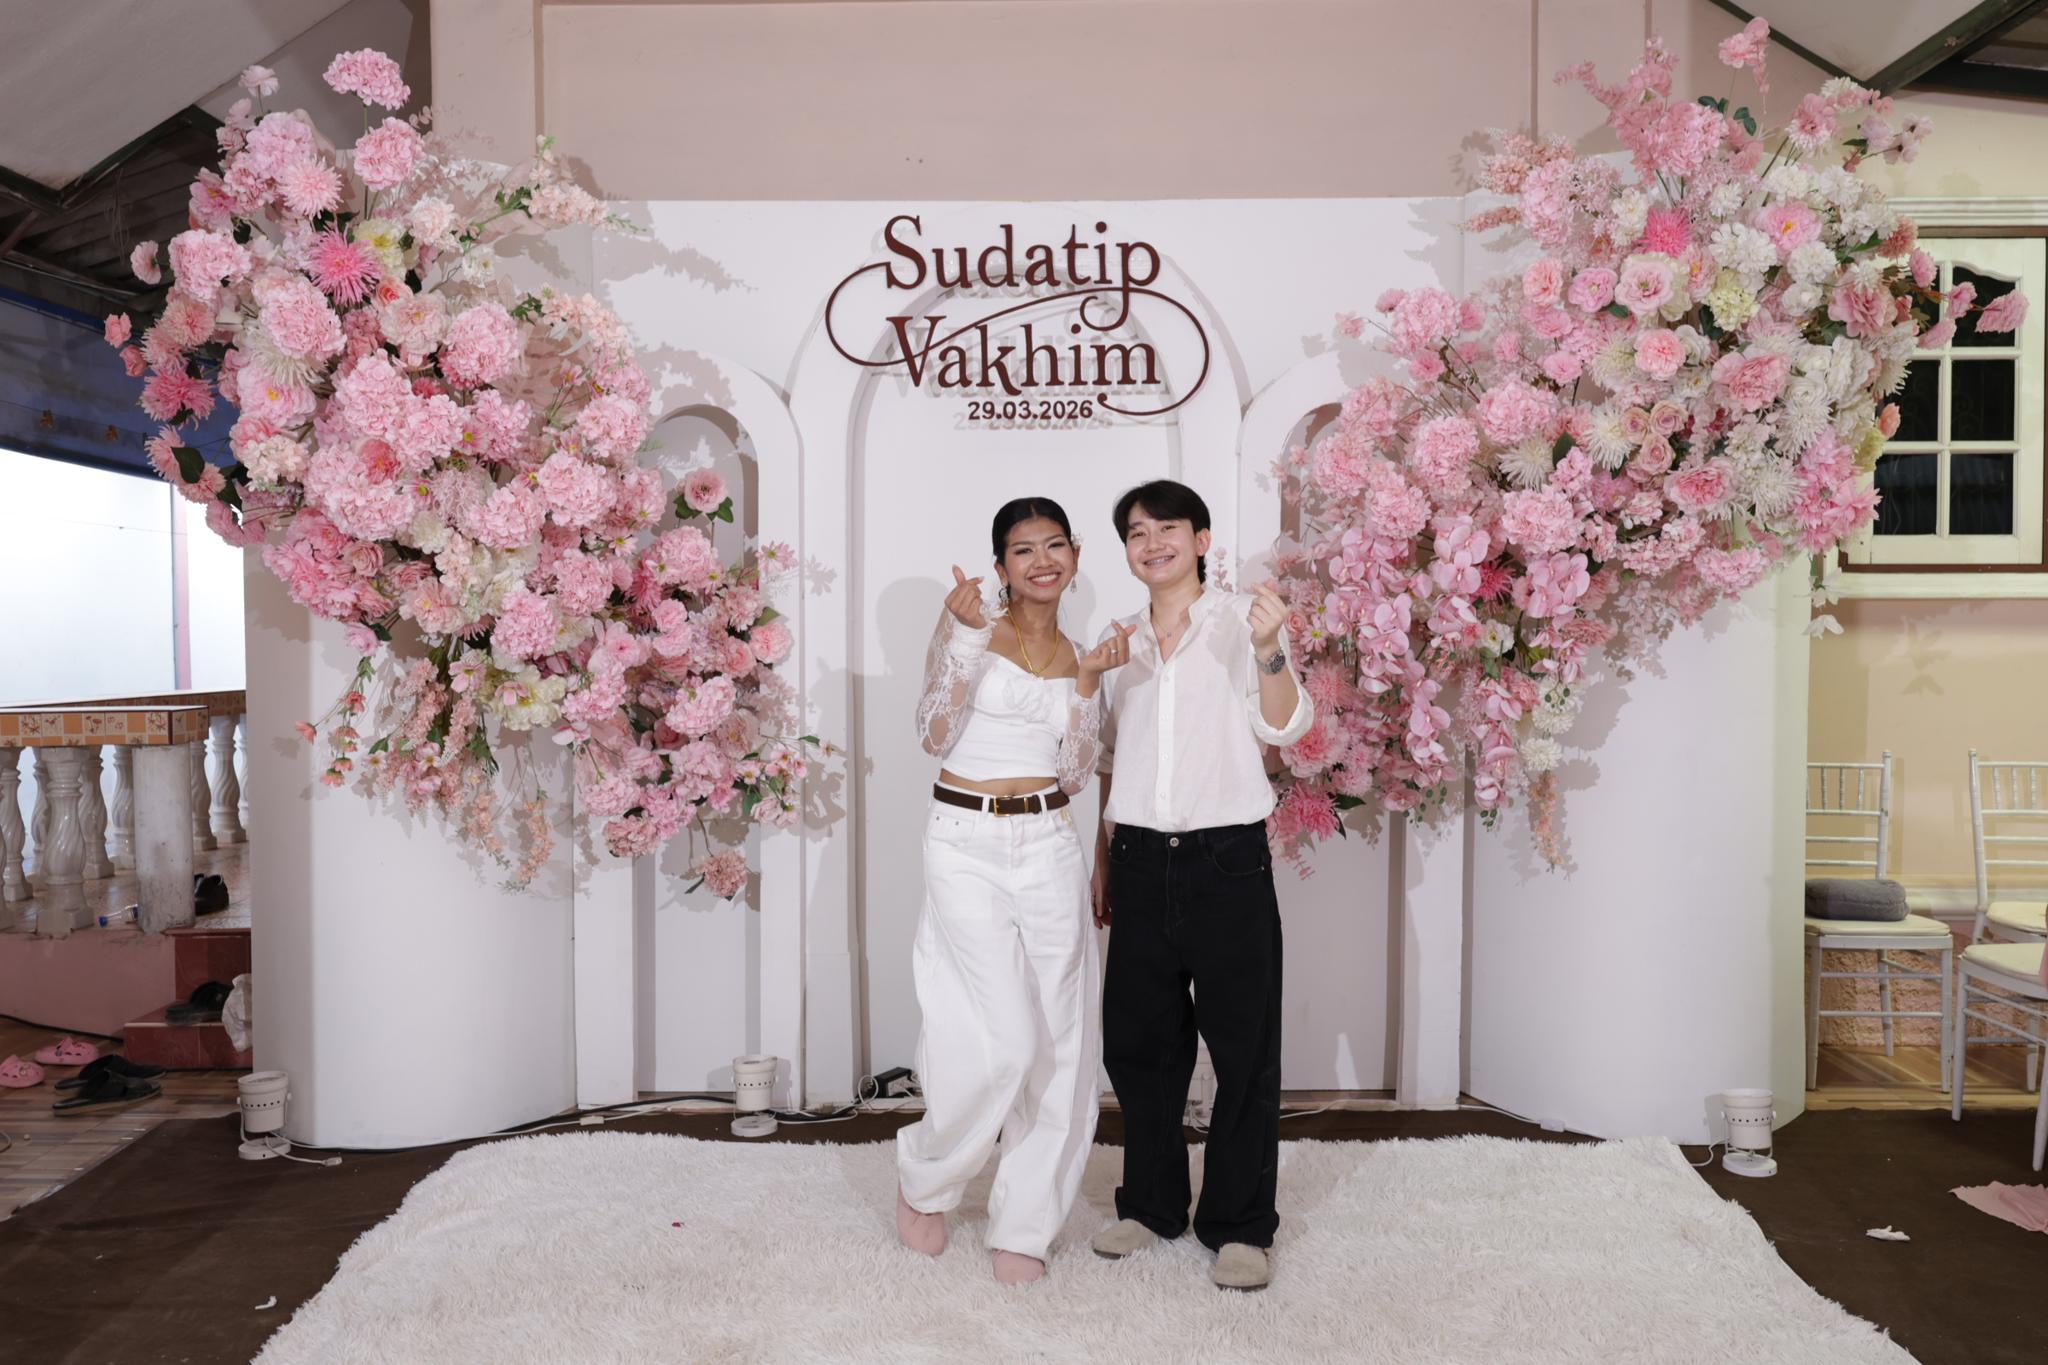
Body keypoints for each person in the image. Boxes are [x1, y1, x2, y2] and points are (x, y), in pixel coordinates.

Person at [894, 496, 1135, 1285]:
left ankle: (1026, 1222)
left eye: (1055, 544)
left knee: (1062, 1041)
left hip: (1048, 842)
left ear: (1075, 557)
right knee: (1003, 1039)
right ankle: (926, 1177)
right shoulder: (971, 626)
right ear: (1000, 565)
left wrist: (1088, 685)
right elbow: (932, 733)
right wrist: (963, 638)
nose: (1041, 560)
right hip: (964, 841)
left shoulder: (1081, 653)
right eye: (1023, 548)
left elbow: (1074, 774)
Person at [1086, 478, 1311, 1292]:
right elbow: (1110, 757)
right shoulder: (1119, 643)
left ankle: (1240, 1223)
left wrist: (1270, 649)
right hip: (1140, 859)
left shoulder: (1244, 623)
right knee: (1139, 1045)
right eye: (1136, 532)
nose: (1152, 543)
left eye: (1167, 528)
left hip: (1227, 860)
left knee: (1244, 1049)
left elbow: (1285, 725)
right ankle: (1151, 1205)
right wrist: (1104, 854)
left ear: (1202, 539)